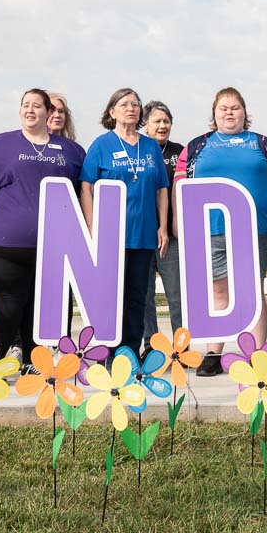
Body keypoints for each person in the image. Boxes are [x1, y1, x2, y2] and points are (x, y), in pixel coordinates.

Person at [0, 88, 85, 368]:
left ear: (49, 113)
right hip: (5, 245)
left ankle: (33, 366)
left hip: (54, 248)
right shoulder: (0, 145)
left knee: (39, 313)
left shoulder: (70, 151)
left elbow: (85, 192)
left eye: (37, 106)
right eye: (25, 105)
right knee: (7, 311)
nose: (30, 110)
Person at [174, 87, 267, 377]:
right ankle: (213, 352)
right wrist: (178, 219)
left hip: (255, 228)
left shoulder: (261, 144)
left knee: (253, 291)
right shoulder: (198, 146)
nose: (229, 112)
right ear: (214, 113)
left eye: (235, 107)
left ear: (244, 113)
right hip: (211, 229)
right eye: (223, 108)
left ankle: (257, 353)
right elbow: (180, 183)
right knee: (218, 290)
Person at [81, 88, 170, 357]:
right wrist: (92, 225)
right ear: (112, 112)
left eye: (135, 104)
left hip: (143, 234)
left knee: (137, 296)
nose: (131, 108)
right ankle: (107, 352)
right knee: (110, 296)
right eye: (124, 104)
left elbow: (162, 189)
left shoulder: (150, 146)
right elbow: (87, 186)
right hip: (111, 234)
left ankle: (128, 354)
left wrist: (163, 226)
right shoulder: (101, 144)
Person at [143, 100, 185, 335]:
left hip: (172, 238)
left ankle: (182, 346)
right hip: (142, 237)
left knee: (177, 295)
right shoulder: (139, 150)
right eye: (157, 121)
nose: (162, 125)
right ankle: (151, 345)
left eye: (166, 121)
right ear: (145, 125)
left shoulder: (180, 152)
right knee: (145, 296)